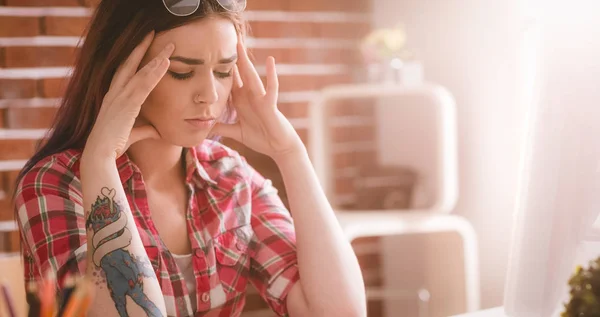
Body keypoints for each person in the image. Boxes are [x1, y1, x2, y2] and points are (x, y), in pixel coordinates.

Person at [12, 0, 366, 316]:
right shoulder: (54, 185)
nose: (210, 95)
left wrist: (291, 153)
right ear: (120, 71)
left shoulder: (230, 179)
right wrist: (101, 161)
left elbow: (341, 312)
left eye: (224, 71)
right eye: (182, 72)